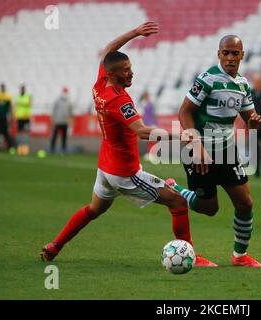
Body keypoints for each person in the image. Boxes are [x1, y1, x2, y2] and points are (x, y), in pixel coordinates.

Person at [40, 22, 214, 267]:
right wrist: (181, 135)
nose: (130, 73)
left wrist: (135, 33)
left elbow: (108, 51)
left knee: (93, 210)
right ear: (112, 74)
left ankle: (55, 245)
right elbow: (143, 131)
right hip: (125, 172)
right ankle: (191, 257)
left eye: (130, 68)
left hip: (105, 167)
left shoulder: (101, 84)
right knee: (178, 201)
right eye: (125, 70)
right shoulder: (119, 100)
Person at [168, 35, 261, 267]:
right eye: (226, 53)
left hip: (227, 150)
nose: (230, 58)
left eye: (235, 53)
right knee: (209, 208)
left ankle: (240, 257)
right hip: (198, 149)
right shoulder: (207, 79)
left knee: (245, 203)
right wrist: (196, 144)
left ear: (242, 55)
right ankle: (175, 190)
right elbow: (184, 112)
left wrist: (254, 123)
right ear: (219, 54)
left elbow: (248, 118)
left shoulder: (242, 84)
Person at [50, 86, 74, 153]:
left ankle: (63, 149)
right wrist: (53, 119)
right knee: (55, 135)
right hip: (58, 121)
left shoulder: (68, 101)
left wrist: (71, 119)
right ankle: (52, 148)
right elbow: (54, 111)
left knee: (63, 136)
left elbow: (70, 112)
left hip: (64, 121)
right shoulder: (58, 101)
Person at [0, 84, 14, 152]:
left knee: (5, 132)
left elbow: (10, 107)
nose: (2, 88)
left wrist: (11, 116)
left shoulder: (7, 96)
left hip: (4, 117)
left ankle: (10, 146)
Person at [14, 85, 32, 155]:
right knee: (20, 132)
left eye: (23, 89)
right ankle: (20, 148)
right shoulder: (18, 97)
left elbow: (30, 104)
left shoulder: (28, 96)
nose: (22, 90)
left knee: (26, 132)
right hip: (19, 117)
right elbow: (16, 107)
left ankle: (25, 148)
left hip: (26, 117)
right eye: (21, 89)